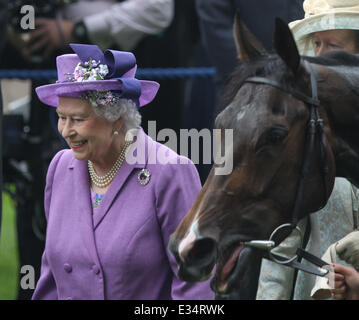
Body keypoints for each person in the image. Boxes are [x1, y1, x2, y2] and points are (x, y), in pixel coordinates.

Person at [31, 43, 213, 300]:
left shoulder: (169, 172)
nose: (65, 130)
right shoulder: (61, 167)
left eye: (78, 119)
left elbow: (195, 283)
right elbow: (51, 277)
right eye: (62, 117)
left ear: (116, 119)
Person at [256, 0, 359, 300]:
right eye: (316, 43)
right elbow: (284, 241)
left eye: (333, 45)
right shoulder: (305, 131)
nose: (320, 56)